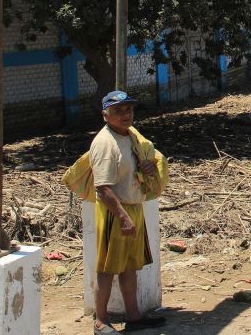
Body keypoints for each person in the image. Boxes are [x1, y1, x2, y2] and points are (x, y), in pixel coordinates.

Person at [90, 91, 165, 334]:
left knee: (129, 266)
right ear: (105, 115)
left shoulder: (130, 136)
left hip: (133, 207)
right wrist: (122, 217)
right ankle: (100, 321)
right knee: (107, 268)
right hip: (115, 212)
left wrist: (147, 166)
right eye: (118, 110)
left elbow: (136, 165)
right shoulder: (105, 143)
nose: (126, 114)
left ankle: (133, 316)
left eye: (128, 109)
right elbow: (103, 188)